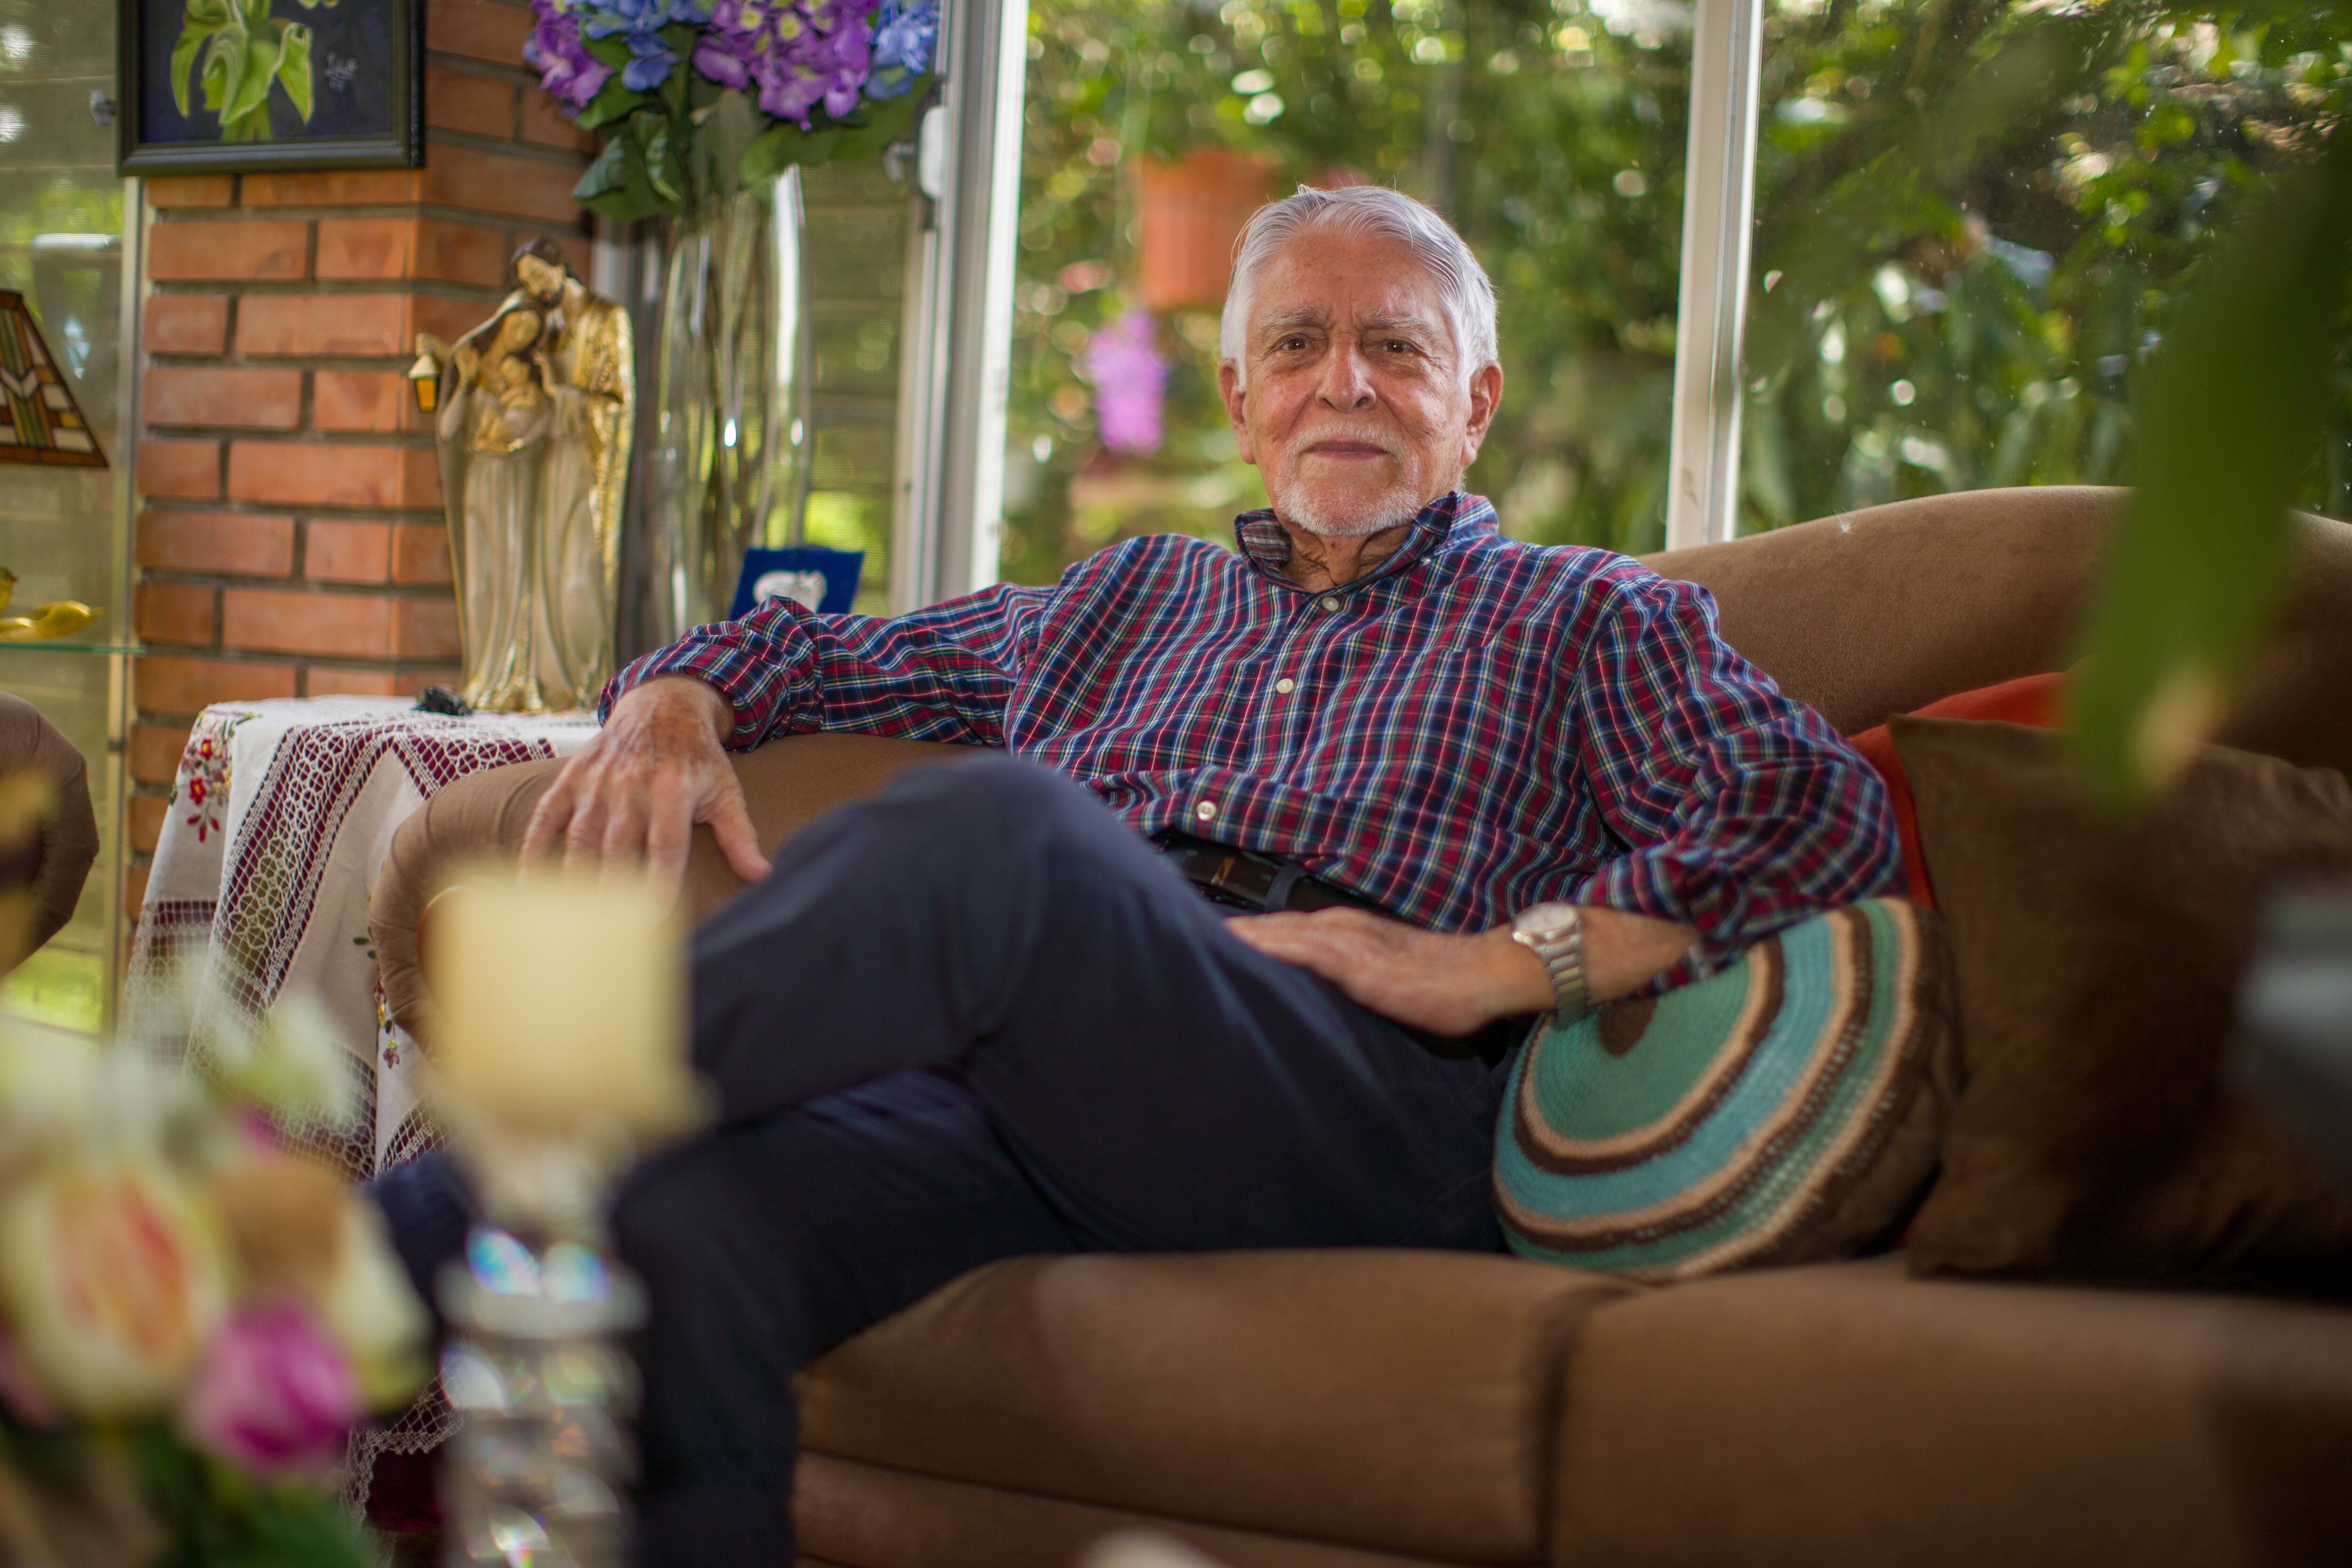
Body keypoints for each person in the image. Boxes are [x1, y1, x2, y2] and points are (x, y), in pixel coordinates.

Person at [373, 184, 1899, 1565]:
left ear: (1476, 400)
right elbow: (818, 651)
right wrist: (668, 706)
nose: (1344, 381)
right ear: (1242, 398)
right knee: (681, 1228)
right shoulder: (1129, 596)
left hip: (1353, 1085)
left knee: (1002, 839)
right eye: (1298, 344)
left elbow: (1819, 814)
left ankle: (352, 1262)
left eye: (1399, 350)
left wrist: (1517, 965)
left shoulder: (1580, 615)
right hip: (1043, 1081)